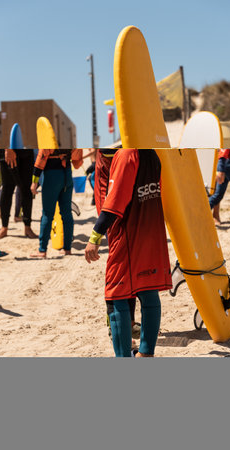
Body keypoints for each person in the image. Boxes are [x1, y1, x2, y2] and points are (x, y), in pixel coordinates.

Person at [85, 148, 172, 357]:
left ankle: (123, 357)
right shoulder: (152, 154)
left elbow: (114, 204)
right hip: (152, 232)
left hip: (128, 236)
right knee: (148, 292)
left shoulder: (125, 156)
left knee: (116, 297)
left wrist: (95, 237)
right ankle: (145, 353)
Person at [94, 148, 141, 341]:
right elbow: (109, 150)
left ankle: (128, 322)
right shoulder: (110, 147)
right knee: (119, 265)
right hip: (111, 205)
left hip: (122, 201)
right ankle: (114, 323)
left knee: (130, 263)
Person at [30, 148, 83, 258]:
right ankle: (67, 249)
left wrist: (34, 182)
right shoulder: (68, 138)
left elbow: (40, 160)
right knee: (67, 213)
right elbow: (77, 163)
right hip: (67, 175)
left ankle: (42, 250)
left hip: (51, 176)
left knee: (47, 214)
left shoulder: (50, 137)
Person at [0, 148, 37, 240]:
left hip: (26, 151)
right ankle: (4, 227)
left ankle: (27, 227)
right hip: (6, 151)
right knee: (7, 189)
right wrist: (8, 149)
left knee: (26, 190)